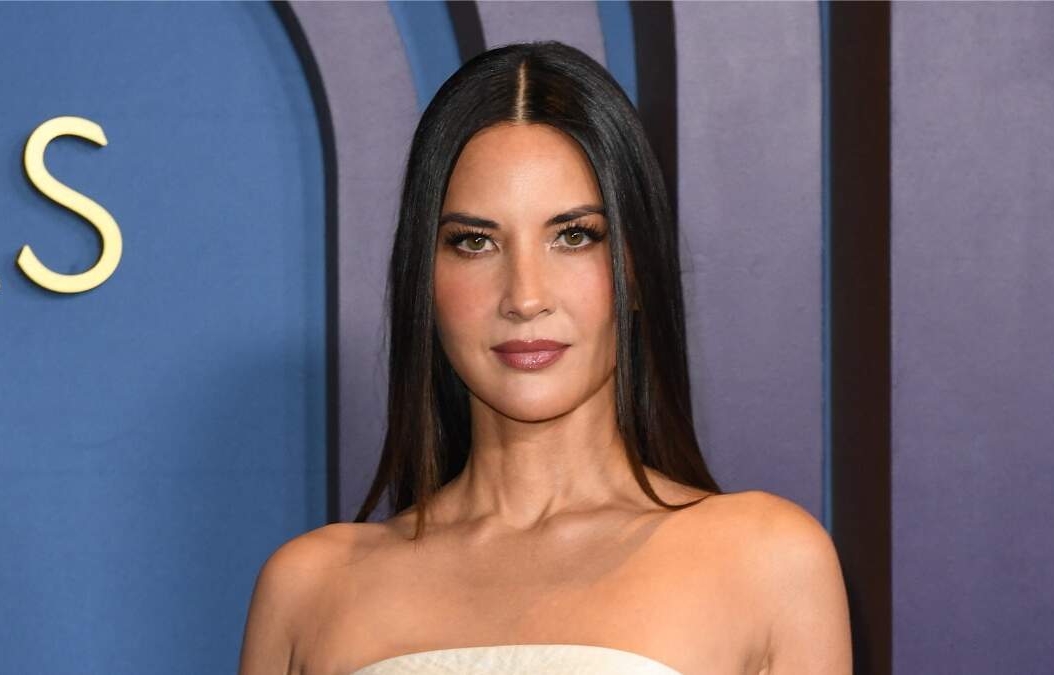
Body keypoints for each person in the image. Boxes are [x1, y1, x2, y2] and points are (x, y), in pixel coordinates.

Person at [238, 40, 850, 675]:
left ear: (636, 268)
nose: (525, 297)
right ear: (424, 278)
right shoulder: (308, 588)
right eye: (475, 242)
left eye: (574, 236)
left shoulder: (766, 559)